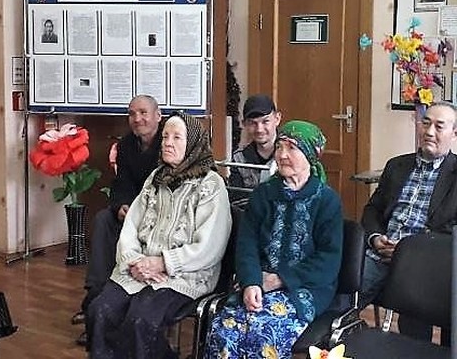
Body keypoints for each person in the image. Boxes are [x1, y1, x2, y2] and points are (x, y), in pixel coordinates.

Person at [87, 112, 232, 359]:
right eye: (165, 136)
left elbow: (209, 246)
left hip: (185, 273)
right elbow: (131, 227)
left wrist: (164, 262)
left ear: (193, 143)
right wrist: (134, 261)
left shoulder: (210, 184)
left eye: (177, 137)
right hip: (140, 268)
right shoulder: (156, 178)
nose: (168, 143)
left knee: (141, 320)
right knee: (99, 311)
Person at [205, 120, 344, 359]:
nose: (282, 154)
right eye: (279, 146)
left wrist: (279, 280)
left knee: (265, 333)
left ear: (311, 155)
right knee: (223, 329)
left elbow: (328, 261)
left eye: (292, 148)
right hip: (258, 281)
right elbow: (246, 245)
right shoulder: (264, 194)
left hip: (304, 288)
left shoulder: (326, 201)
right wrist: (251, 282)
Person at [359, 101, 457, 343]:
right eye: (425, 123)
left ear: (454, 133)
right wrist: (375, 238)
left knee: (418, 310)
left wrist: (408, 251)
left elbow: (451, 232)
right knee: (342, 291)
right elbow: (373, 209)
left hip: (426, 262)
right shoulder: (396, 166)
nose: (429, 132)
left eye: (439, 126)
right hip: (380, 254)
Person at [72, 95, 162, 346]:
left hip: (160, 215)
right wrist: (121, 205)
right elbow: (122, 182)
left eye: (143, 113)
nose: (137, 119)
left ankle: (112, 308)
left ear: (158, 115)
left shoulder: (169, 141)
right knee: (104, 220)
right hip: (134, 211)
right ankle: (95, 296)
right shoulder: (126, 145)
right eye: (132, 114)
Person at [228, 94, 281, 205]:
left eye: (265, 121)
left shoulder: (291, 154)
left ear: (277, 119)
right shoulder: (239, 158)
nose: (259, 129)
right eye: (252, 123)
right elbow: (236, 201)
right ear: (244, 124)